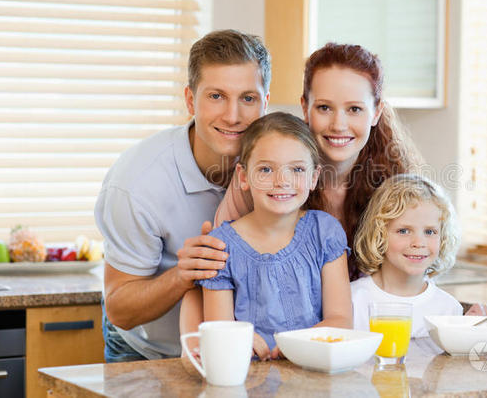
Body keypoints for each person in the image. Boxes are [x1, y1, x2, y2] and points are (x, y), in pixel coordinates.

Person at [179, 42, 422, 336]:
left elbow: (415, 275)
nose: (338, 124)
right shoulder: (258, 183)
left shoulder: (396, 189)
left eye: (355, 109)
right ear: (305, 107)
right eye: (324, 108)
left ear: (375, 112)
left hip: (359, 343)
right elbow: (215, 277)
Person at [95, 30, 270, 361]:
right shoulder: (137, 184)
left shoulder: (279, 169)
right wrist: (182, 275)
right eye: (216, 96)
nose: (233, 116)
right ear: (190, 100)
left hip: (241, 353)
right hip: (149, 350)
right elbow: (119, 309)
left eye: (247, 98)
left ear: (265, 102)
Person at [197, 112, 352, 360]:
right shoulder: (221, 246)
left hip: (312, 370)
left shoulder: (324, 232)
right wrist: (239, 341)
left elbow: (341, 319)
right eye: (266, 169)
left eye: (297, 169)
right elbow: (219, 331)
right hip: (249, 376)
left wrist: (296, 345)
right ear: (244, 177)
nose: (282, 181)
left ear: (313, 177)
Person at [351, 174, 486, 338]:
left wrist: (471, 336)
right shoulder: (352, 300)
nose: (418, 243)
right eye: (404, 231)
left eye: (430, 232)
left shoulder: (449, 309)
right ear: (379, 235)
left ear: (443, 238)